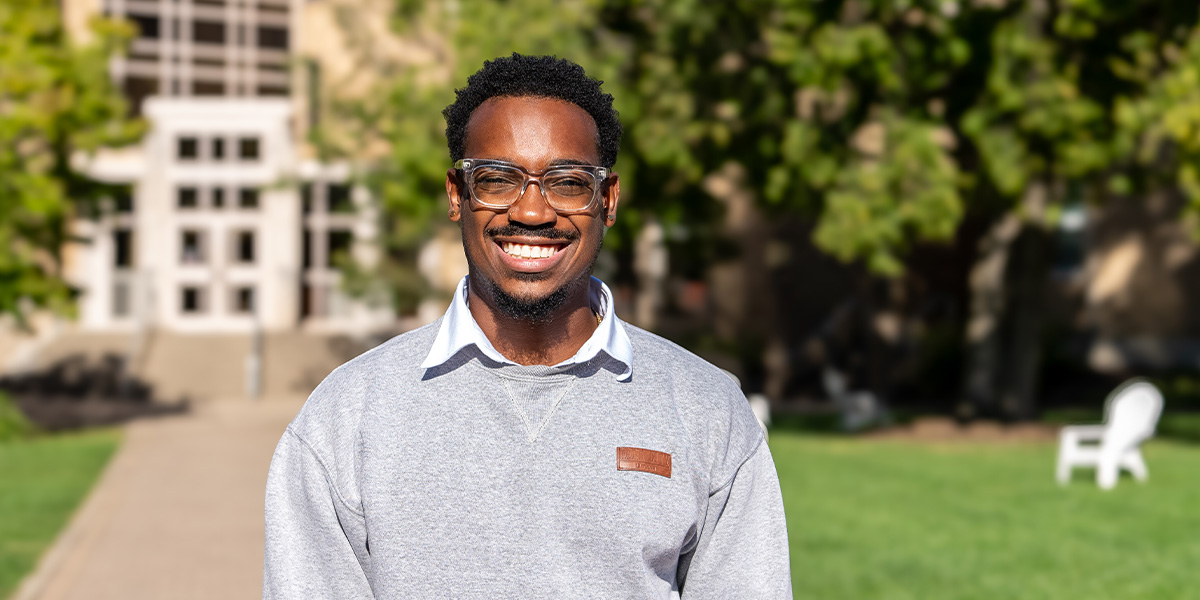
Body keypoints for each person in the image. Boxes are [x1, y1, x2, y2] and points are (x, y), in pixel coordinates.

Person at [263, 53, 792, 599]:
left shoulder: (707, 410)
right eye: (497, 179)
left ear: (607, 200)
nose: (533, 213)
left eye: (566, 183)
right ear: (456, 195)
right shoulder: (345, 417)